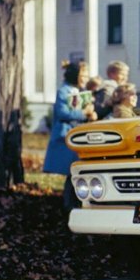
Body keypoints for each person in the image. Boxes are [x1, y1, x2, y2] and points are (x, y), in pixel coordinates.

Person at [44, 60, 97, 212]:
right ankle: (69, 205)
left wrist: (90, 113)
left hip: (77, 134)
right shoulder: (64, 91)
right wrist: (84, 113)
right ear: (75, 75)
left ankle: (74, 203)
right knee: (72, 170)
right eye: (83, 74)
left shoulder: (78, 91)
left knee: (76, 171)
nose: (86, 77)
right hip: (66, 135)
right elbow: (63, 112)